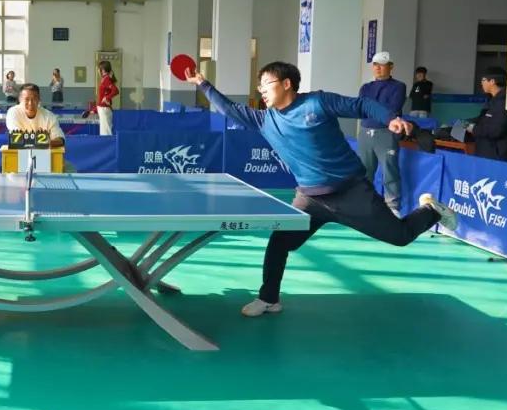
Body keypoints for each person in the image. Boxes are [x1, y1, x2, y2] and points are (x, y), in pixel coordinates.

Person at [183, 61, 457, 317]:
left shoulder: (317, 102)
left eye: (266, 84)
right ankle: (269, 298)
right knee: (279, 242)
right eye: (260, 86)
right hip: (310, 199)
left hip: (350, 192)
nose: (261, 90)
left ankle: (431, 210)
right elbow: (229, 108)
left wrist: (389, 118)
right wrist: (202, 83)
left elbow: (361, 105)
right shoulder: (264, 120)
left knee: (400, 236)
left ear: (287, 84)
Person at [357, 51, 407, 216]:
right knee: (364, 172)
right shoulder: (365, 87)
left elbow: (393, 109)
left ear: (391, 67)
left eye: (382, 65)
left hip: (386, 133)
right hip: (365, 132)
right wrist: (378, 111)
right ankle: (363, 204)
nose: (378, 68)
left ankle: (393, 207)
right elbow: (362, 109)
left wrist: (374, 111)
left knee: (390, 171)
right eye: (375, 65)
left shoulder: (399, 86)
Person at [467, 67, 507, 162]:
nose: (481, 83)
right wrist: (465, 123)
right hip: (490, 153)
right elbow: (483, 119)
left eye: (483, 80)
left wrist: (473, 129)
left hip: (500, 156)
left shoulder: (505, 102)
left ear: (492, 81)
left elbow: (496, 130)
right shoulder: (493, 100)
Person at [87, 60, 119, 136]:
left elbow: (116, 90)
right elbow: (101, 100)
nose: (98, 71)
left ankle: (109, 144)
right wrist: (94, 110)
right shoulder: (104, 79)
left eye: (99, 69)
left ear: (103, 70)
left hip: (104, 109)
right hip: (103, 109)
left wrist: (107, 98)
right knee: (105, 131)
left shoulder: (106, 79)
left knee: (105, 133)